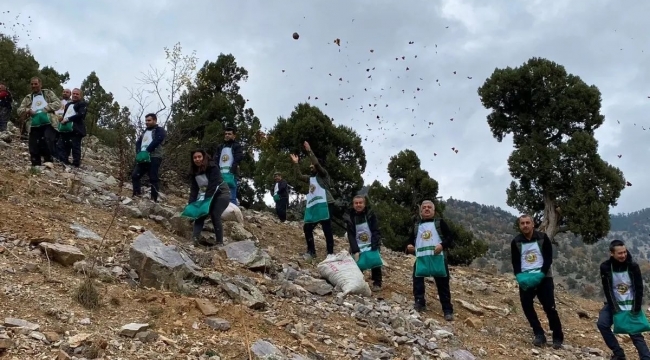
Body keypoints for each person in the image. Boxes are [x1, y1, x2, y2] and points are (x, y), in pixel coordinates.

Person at [511, 214, 564, 349]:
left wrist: (541, 274)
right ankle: (539, 334)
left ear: (533, 224)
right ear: (519, 226)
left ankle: (557, 337)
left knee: (550, 308)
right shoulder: (516, 241)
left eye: (527, 222)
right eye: (522, 223)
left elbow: (548, 258)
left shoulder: (542, 238)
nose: (525, 225)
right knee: (526, 305)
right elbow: (515, 262)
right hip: (526, 278)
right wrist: (519, 277)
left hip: (544, 278)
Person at [597, 239, 650, 360]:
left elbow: (639, 288)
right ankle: (618, 353)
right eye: (620, 253)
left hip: (630, 304)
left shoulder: (633, 266)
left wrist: (636, 309)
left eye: (625, 252)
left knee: (634, 332)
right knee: (602, 324)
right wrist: (615, 309)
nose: (623, 255)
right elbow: (607, 289)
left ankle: (646, 357)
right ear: (612, 253)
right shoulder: (605, 267)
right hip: (613, 303)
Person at [405, 200, 454, 321]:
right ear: (421, 211)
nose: (427, 209)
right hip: (422, 258)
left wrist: (442, 245)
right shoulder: (416, 226)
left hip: (439, 258)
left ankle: (447, 310)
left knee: (443, 284)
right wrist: (408, 247)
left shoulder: (440, 223)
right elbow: (409, 241)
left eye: (429, 207)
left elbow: (450, 237)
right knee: (417, 281)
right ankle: (419, 302)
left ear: (434, 211)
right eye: (424, 208)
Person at [290, 141, 335, 259]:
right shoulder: (310, 178)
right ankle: (311, 252)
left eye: (312, 164)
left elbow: (316, 163)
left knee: (327, 228)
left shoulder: (323, 175)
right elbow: (299, 176)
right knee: (307, 227)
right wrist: (295, 164)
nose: (310, 166)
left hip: (326, 204)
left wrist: (309, 151)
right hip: (315, 206)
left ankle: (330, 253)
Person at [187, 150, 231, 247]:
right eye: (195, 158)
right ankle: (194, 239)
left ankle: (219, 243)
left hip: (221, 194)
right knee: (200, 214)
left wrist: (205, 203)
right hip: (208, 194)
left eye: (199, 157)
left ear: (204, 157)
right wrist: (191, 205)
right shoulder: (194, 172)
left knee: (215, 214)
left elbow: (212, 186)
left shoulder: (212, 167)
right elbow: (194, 190)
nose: (197, 159)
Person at [16, 77, 62, 166]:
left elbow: (58, 103)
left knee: (47, 140)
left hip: (49, 123)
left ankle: (48, 163)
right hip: (33, 125)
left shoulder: (48, 93)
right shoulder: (28, 98)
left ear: (40, 84)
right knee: (33, 146)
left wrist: (45, 108)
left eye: (36, 84)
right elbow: (19, 110)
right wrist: (28, 110)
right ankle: (35, 165)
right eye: (32, 84)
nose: (34, 86)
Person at [345, 194, 382, 291]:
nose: (358, 205)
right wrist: (355, 249)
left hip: (371, 243)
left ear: (364, 204)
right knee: (358, 265)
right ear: (353, 205)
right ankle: (359, 283)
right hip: (358, 244)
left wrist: (375, 245)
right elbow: (351, 235)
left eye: (360, 203)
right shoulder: (350, 217)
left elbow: (375, 230)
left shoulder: (370, 214)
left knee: (375, 264)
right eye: (356, 203)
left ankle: (377, 283)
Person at [132, 113, 166, 202]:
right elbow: (138, 142)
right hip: (143, 157)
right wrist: (139, 152)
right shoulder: (145, 132)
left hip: (154, 156)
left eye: (149, 120)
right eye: (146, 120)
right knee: (135, 175)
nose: (147, 122)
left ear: (155, 120)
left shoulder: (159, 130)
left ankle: (154, 199)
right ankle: (136, 195)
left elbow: (158, 140)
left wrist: (148, 150)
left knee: (153, 178)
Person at [57, 88, 87, 167]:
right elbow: (65, 115)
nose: (75, 95)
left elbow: (81, 115)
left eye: (77, 94)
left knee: (75, 147)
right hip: (65, 129)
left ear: (80, 96)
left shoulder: (82, 104)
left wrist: (68, 119)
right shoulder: (68, 105)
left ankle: (76, 164)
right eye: (73, 93)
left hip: (76, 129)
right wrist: (62, 119)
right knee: (62, 144)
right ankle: (63, 160)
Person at [213, 126, 243, 205]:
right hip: (220, 174)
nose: (227, 135)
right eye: (225, 134)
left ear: (234, 136)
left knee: (231, 196)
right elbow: (215, 159)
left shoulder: (237, 146)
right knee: (218, 195)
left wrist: (233, 169)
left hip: (231, 174)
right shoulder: (220, 146)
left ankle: (233, 215)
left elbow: (239, 157)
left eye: (229, 134)